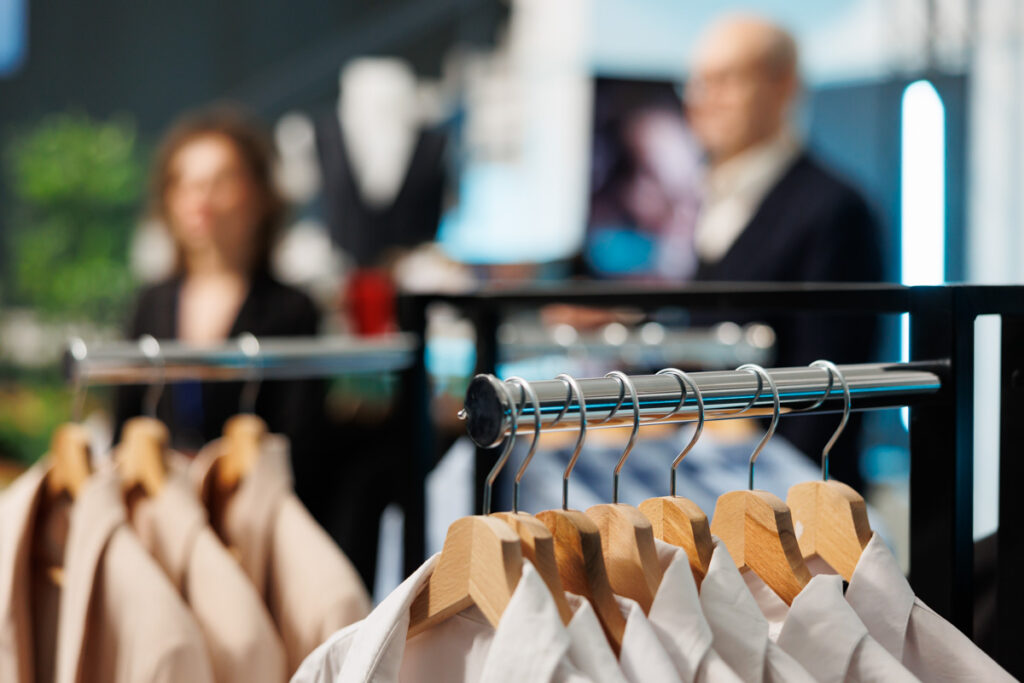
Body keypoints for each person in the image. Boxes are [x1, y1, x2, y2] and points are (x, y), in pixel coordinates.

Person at [686, 15, 885, 491]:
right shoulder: (708, 203)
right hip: (701, 487)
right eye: (698, 82)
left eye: (727, 80)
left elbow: (826, 401)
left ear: (783, 88)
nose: (704, 98)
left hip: (788, 510)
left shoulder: (835, 209)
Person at [114, 105, 327, 512]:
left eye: (220, 181)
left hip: (252, 516)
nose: (201, 199)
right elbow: (124, 428)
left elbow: (301, 444)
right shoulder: (151, 304)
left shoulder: (292, 310)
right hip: (159, 514)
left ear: (260, 195)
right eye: (186, 183)